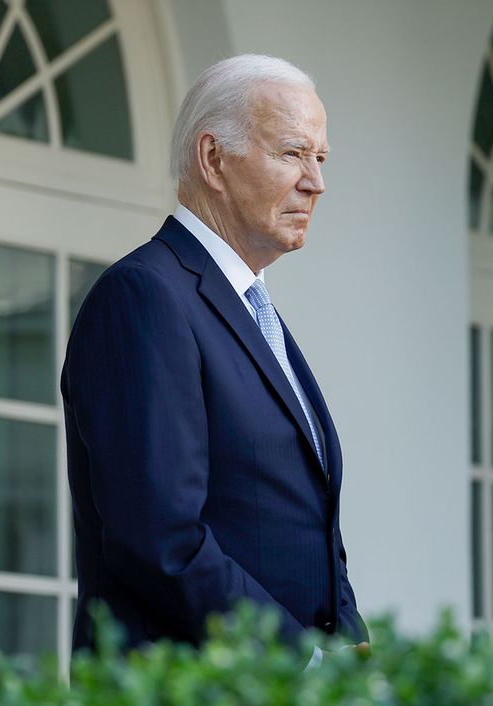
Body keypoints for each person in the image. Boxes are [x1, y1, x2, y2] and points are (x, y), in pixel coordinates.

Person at [61, 54, 366, 655]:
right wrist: (298, 662)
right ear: (213, 160)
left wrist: (352, 666)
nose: (316, 182)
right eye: (292, 154)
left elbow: (313, 538)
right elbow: (160, 539)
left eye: (320, 158)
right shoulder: (146, 296)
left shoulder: (251, 307)